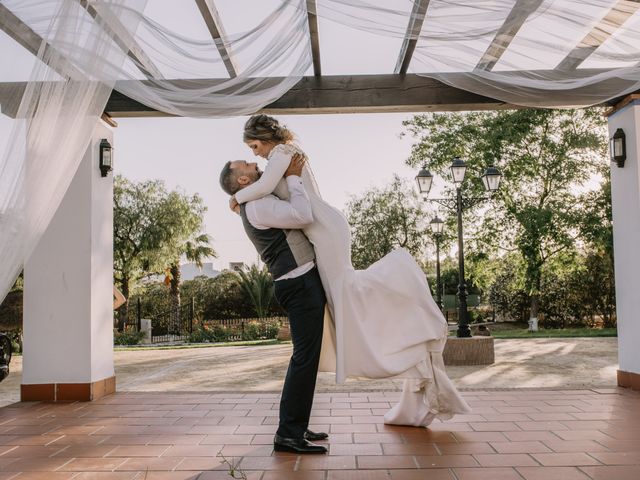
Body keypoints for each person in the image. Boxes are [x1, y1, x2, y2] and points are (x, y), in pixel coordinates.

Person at [230, 114, 471, 426]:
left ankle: (402, 295)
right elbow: (265, 188)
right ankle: (400, 333)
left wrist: (235, 198)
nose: (254, 153)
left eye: (254, 145)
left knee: (348, 293)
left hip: (324, 229)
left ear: (266, 137)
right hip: (323, 227)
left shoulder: (282, 153)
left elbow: (263, 185)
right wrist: (241, 196)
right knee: (346, 297)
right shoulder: (281, 157)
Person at [220, 154, 328, 454]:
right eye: (248, 165)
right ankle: (288, 434)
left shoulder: (252, 200)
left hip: (297, 280)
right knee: (304, 358)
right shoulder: (257, 204)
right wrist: (293, 177)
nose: (255, 163)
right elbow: (303, 215)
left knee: (307, 358)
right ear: (243, 179)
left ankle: (297, 424)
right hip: (299, 282)